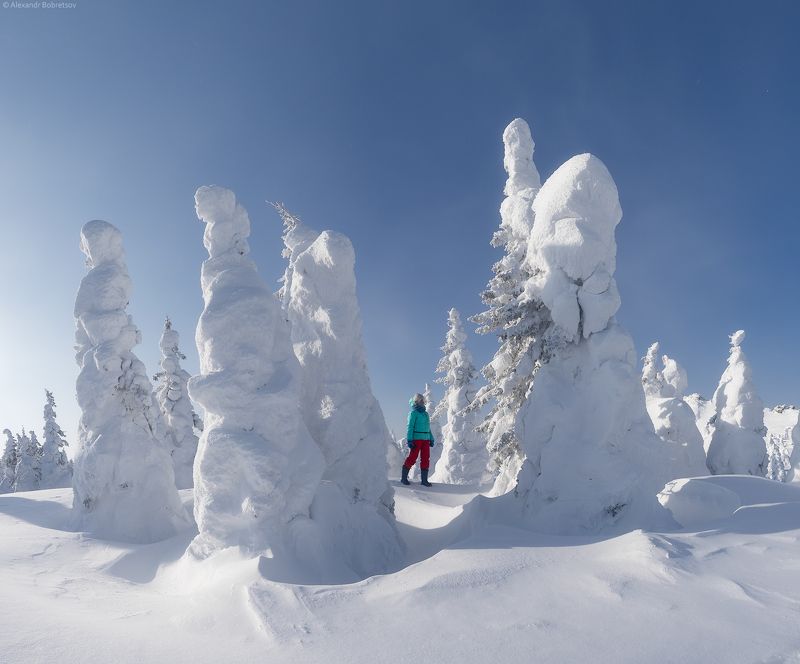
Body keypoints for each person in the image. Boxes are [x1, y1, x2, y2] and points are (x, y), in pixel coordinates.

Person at [402, 393, 435, 487]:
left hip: (426, 440)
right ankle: (404, 478)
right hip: (416, 439)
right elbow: (410, 427)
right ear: (416, 401)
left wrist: (431, 438)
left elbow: (428, 428)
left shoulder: (425, 414)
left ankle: (424, 480)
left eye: (423, 401)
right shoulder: (413, 413)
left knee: (425, 459)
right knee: (412, 458)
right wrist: (409, 439)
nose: (423, 402)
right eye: (421, 400)